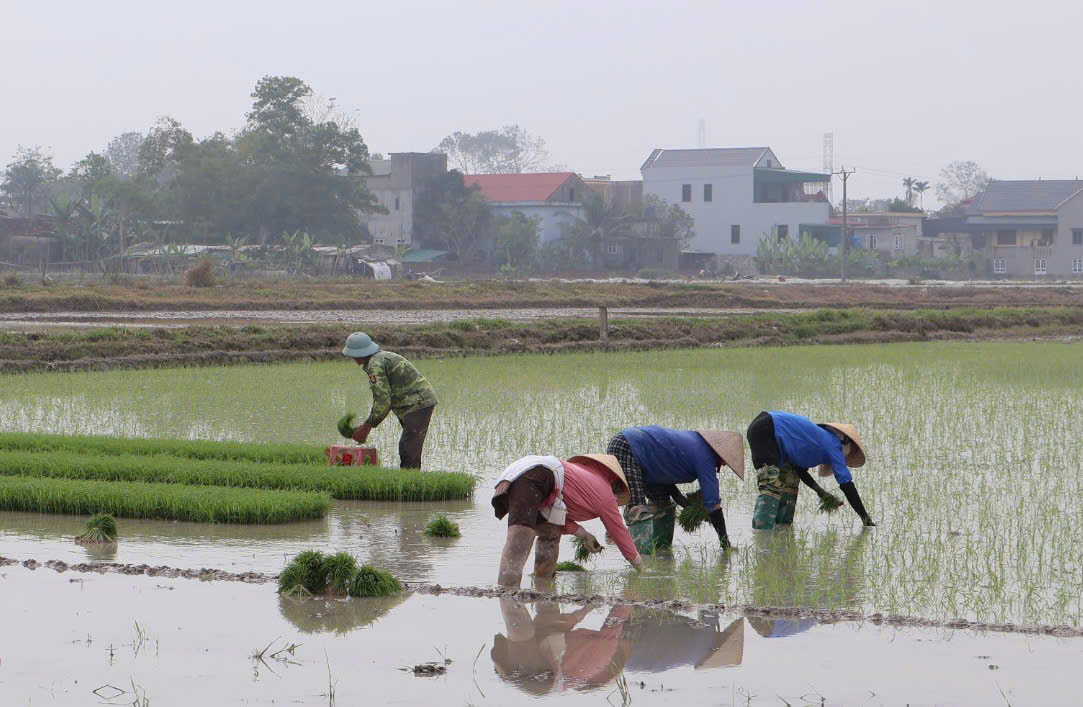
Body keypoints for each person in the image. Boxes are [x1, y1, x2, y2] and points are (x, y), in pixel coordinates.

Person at [492, 454, 643, 588]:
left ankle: (543, 586)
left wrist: (585, 535)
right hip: (534, 476)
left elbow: (558, 520)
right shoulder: (605, 494)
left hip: (512, 475)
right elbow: (619, 533)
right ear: (615, 483)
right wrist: (640, 566)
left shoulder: (581, 477)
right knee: (520, 539)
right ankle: (506, 593)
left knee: (551, 532)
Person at [606, 427, 744, 548]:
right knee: (637, 509)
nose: (725, 464)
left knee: (662, 503)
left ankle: (660, 548)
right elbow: (713, 504)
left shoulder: (697, 445)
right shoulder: (705, 457)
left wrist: (684, 502)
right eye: (726, 460)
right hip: (627, 446)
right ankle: (640, 556)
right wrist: (725, 543)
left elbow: (665, 473)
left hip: (647, 459)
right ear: (720, 453)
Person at [745, 410, 874, 529]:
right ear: (846, 443)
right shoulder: (834, 445)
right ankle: (761, 539)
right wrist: (865, 518)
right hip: (767, 428)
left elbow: (800, 471)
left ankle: (782, 532)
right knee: (770, 484)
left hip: (769, 430)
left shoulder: (813, 440)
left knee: (791, 481)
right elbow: (847, 484)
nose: (842, 459)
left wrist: (821, 493)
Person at [340, 331, 438, 469]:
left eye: (352, 355)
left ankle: (410, 483)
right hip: (412, 403)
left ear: (358, 353)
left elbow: (383, 400)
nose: (353, 358)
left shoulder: (375, 365)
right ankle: (409, 480)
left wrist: (367, 425)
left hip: (418, 403)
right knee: (409, 445)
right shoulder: (379, 358)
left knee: (408, 447)